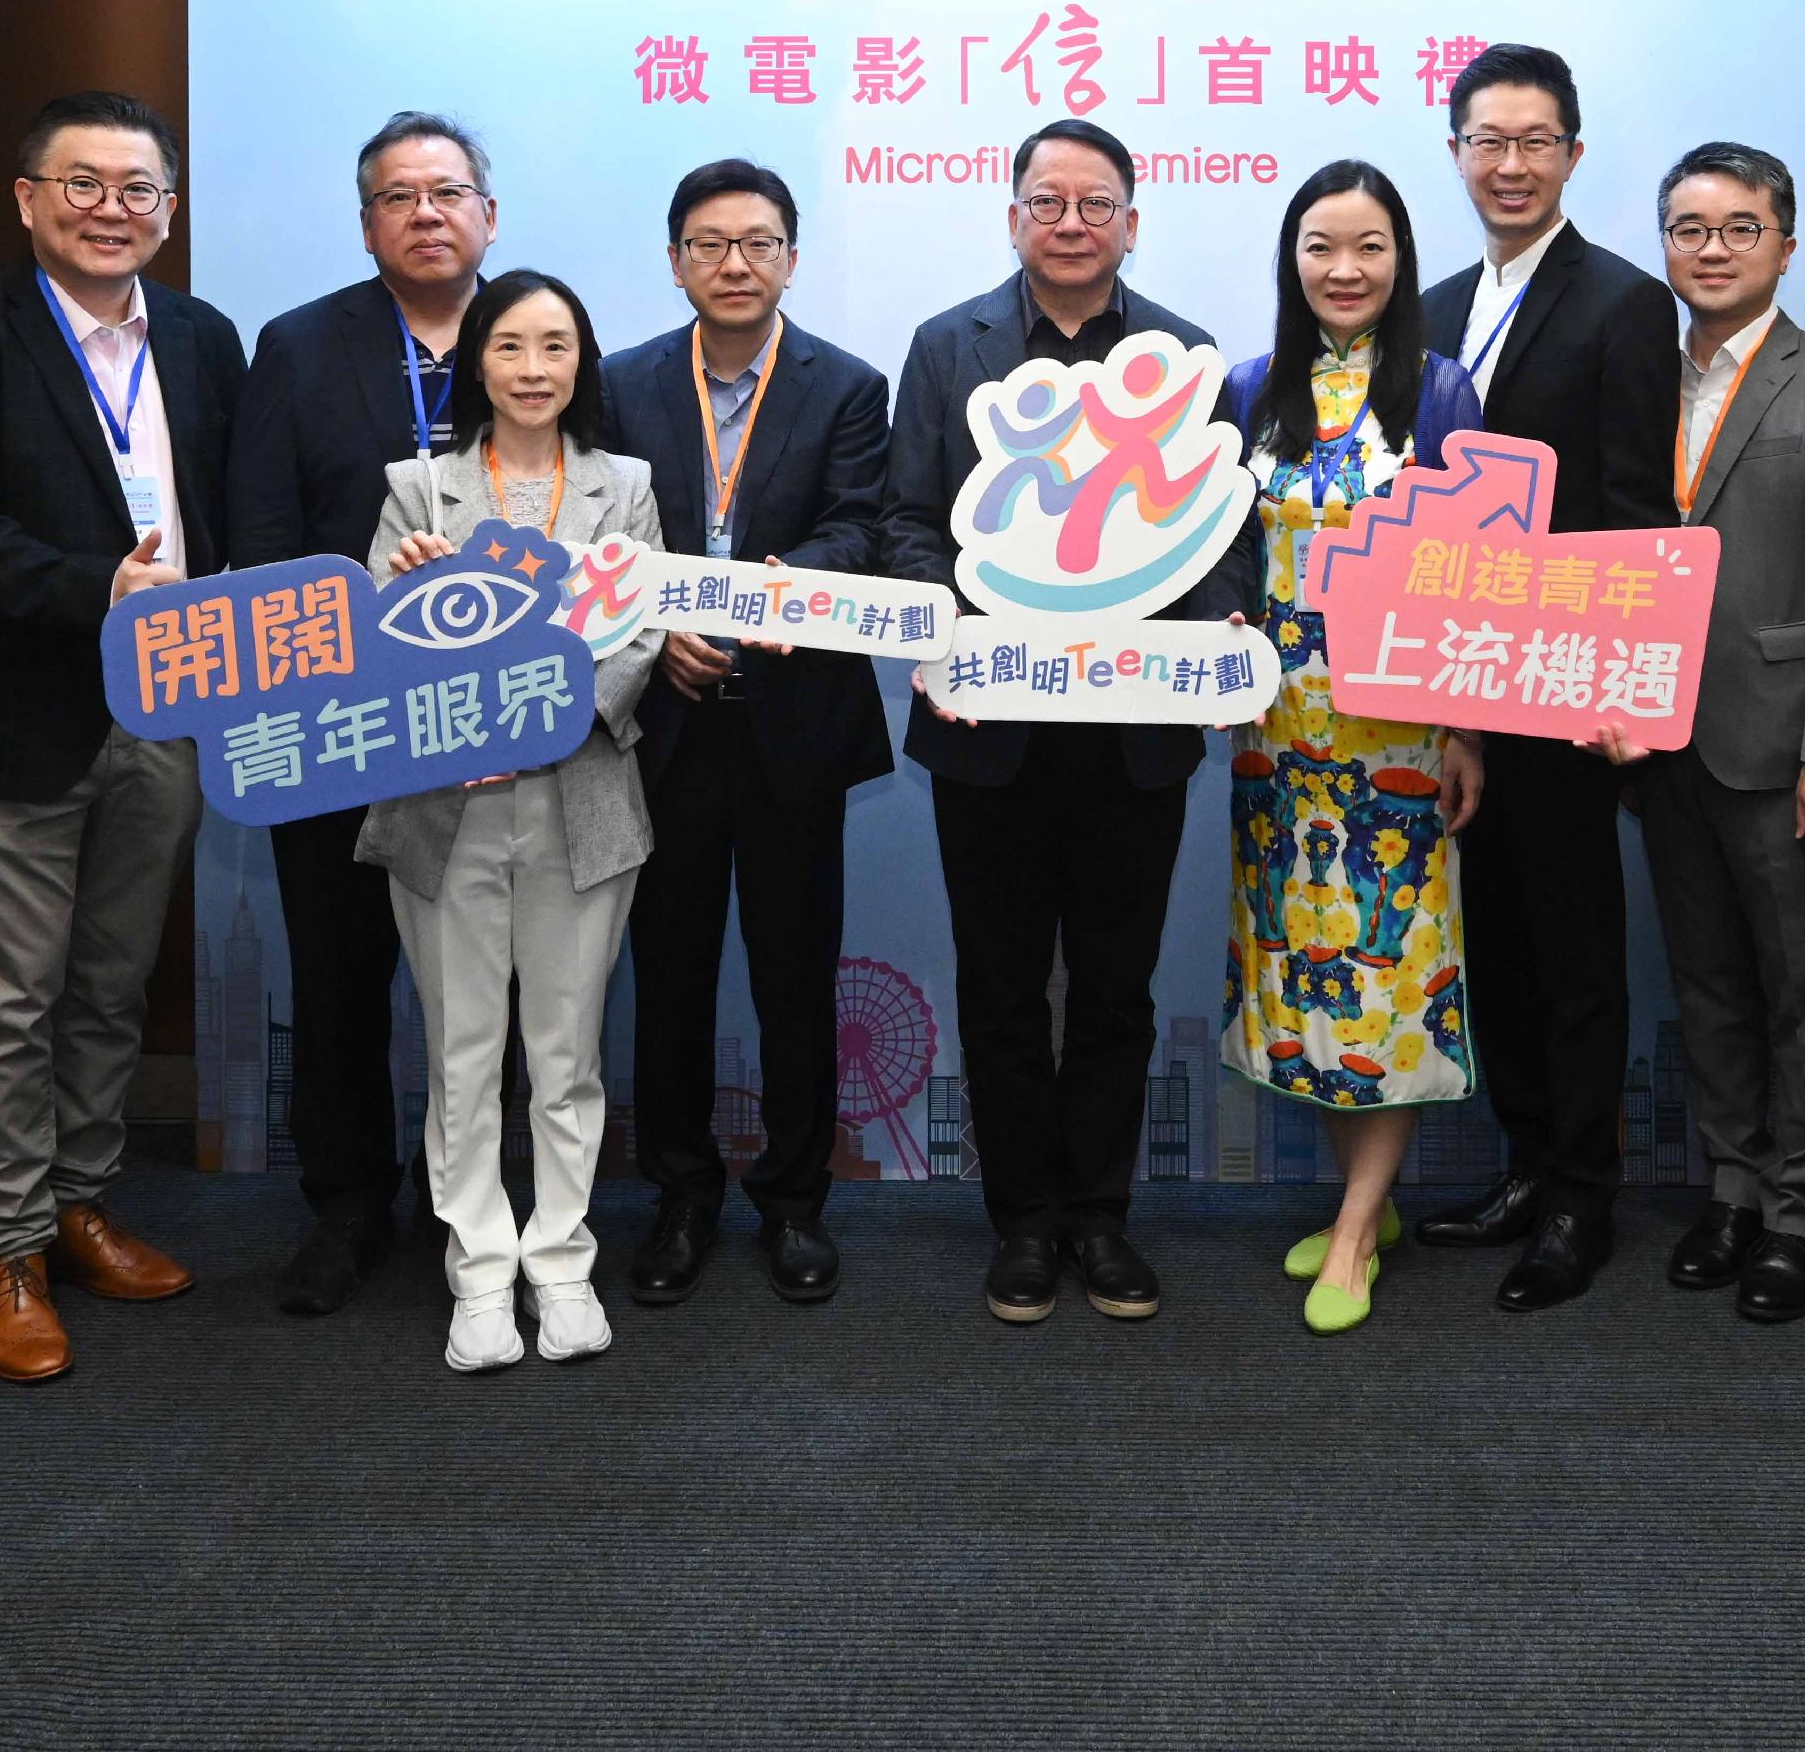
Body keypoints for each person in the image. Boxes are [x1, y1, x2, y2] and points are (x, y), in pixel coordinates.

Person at [0, 90, 245, 1382]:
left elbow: (229, 516)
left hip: (164, 711)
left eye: (138, 189)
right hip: (7, 719)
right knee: (2, 1002)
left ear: (170, 209)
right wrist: (95, 585)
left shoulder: (202, 341)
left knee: (108, 983)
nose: (112, 210)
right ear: (27, 199)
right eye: (83, 185)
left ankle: (82, 1203)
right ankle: (5, 1246)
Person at [884, 117, 1251, 1326]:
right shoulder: (948, 349)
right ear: (1012, 218)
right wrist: (945, 637)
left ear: (1132, 222)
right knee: (997, 985)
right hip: (987, 728)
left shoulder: (1185, 355)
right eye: (1048, 203)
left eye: (1095, 204)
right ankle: (1023, 1224)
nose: (1072, 224)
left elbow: (1219, 548)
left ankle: (1100, 1218)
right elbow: (907, 527)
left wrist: (1213, 641)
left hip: (1133, 737)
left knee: (1114, 987)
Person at [1609, 142, 1805, 1324]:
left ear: (1785, 243)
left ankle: (1799, 1211)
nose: (1710, 248)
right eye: (1687, 228)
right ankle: (1730, 1185)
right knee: (1708, 981)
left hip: (1786, 748)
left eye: (1737, 227)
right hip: (1655, 738)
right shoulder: (1636, 378)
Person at [358, 272, 666, 1375]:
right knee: (462, 1051)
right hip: (446, 810)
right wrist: (400, 596)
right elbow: (367, 651)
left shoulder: (622, 486)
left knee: (566, 1051)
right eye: (510, 348)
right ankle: (479, 1270)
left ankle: (563, 1259)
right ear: (475, 364)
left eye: (555, 347)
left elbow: (638, 635)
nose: (534, 370)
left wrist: (545, 716)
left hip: (578, 797)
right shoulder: (418, 490)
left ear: (581, 363)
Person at [1413, 42, 1680, 1310]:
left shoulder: (1624, 302)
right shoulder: (1429, 307)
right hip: (1458, 683)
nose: (1509, 164)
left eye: (1535, 142)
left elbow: (1634, 505)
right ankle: (1524, 1164)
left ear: (1573, 155)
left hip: (1569, 683)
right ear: (1455, 150)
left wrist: (1615, 686)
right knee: (1498, 943)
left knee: (1575, 949)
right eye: (1487, 141)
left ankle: (1582, 1198)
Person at [602, 161, 892, 1309]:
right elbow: (598, 537)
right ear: (676, 260)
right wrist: (660, 628)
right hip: (664, 723)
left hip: (791, 724)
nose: (735, 263)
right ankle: (678, 1195)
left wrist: (783, 593)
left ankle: (792, 1200)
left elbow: (859, 525)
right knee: (666, 976)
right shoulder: (620, 386)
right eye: (710, 244)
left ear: (792, 257)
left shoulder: (847, 386)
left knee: (793, 976)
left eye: (758, 243)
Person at [228, 110, 501, 1316]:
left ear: (488, 214)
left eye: (448, 192)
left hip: (505, 724)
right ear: (366, 223)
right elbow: (265, 536)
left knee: (493, 978)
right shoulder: (299, 344)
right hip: (337, 716)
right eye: (399, 197)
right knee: (339, 975)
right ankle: (346, 1205)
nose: (426, 213)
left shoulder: (536, 334)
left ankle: (485, 1208)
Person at [1214, 161, 1488, 1334]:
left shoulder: (1439, 390)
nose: (1343, 269)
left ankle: (1355, 1229)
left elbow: (1480, 571)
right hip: (1275, 735)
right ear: (1292, 259)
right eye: (1321, 246)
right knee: (1307, 983)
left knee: (1384, 981)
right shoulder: (1245, 386)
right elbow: (1219, 544)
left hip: (1398, 739)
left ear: (1401, 260)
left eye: (1368, 247)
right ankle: (1357, 1217)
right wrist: (1216, 638)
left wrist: (1467, 725)